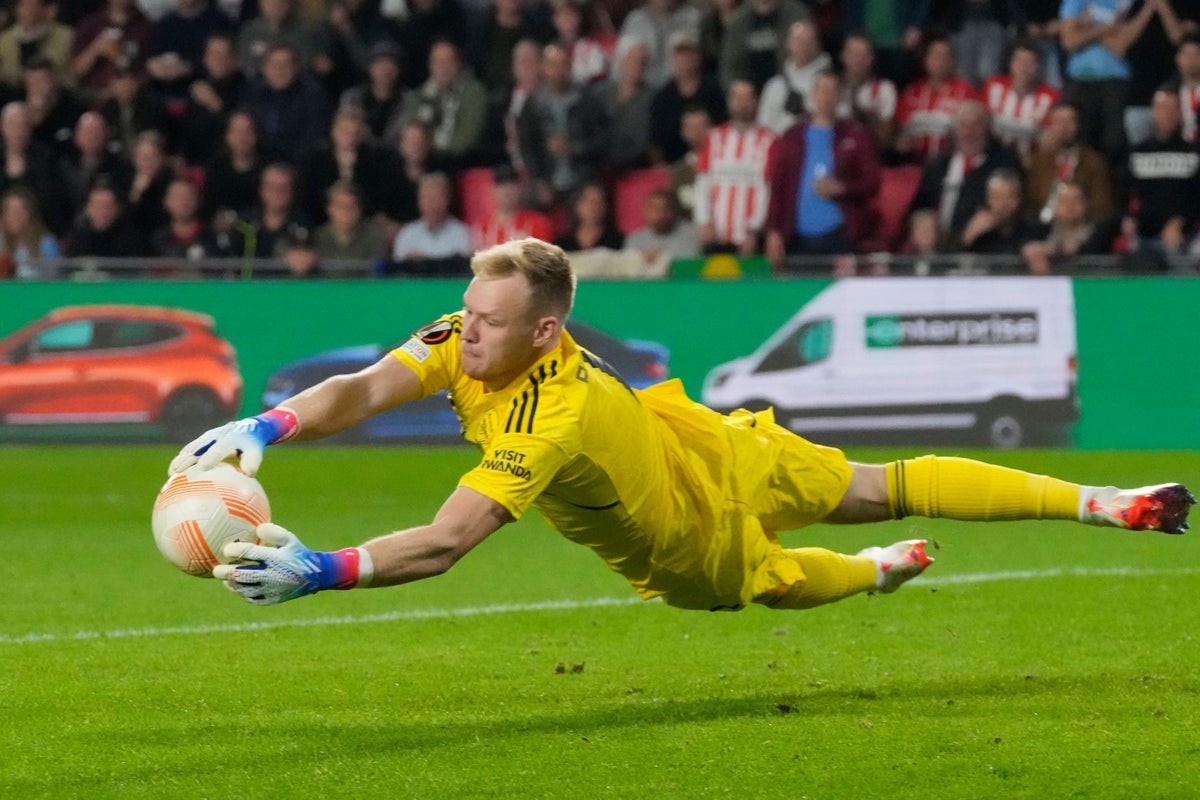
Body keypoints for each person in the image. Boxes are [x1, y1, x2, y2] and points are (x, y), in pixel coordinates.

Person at [169, 236, 1194, 611]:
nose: (462, 337)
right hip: (708, 437)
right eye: (465, 315)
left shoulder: (550, 413)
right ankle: (916, 552)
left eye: (486, 324)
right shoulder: (471, 329)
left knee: (783, 573)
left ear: (546, 330)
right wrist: (272, 423)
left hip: (683, 530)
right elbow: (361, 386)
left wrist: (326, 568)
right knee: (877, 483)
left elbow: (444, 543)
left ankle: (1095, 507)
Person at [763, 70, 881, 268]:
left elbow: (873, 183)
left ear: (839, 97)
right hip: (797, 238)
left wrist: (842, 188)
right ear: (812, 95)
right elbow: (778, 187)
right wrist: (774, 232)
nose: (826, 97)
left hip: (840, 236)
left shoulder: (855, 135)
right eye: (821, 90)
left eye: (832, 91)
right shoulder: (792, 136)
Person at [693, 78, 774, 255]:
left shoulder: (768, 140)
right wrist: (704, 221)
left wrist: (754, 230)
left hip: (749, 237)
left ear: (756, 102)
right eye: (737, 97)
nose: (741, 103)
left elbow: (766, 189)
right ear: (729, 101)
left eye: (747, 98)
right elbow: (703, 183)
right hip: (715, 235)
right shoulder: (714, 137)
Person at [894, 35, 978, 163]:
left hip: (951, 162)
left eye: (945, 57)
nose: (940, 62)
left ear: (953, 62)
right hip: (913, 161)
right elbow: (900, 131)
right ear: (926, 60)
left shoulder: (965, 92)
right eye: (935, 56)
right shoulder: (912, 91)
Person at [981, 39, 1061, 163]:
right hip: (990, 159)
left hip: (1029, 162)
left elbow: (1050, 138)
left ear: (1039, 67)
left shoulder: (1050, 96)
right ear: (1011, 63)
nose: (1024, 67)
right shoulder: (993, 86)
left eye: (1030, 63)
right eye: (1020, 61)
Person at [757, 19, 831, 135]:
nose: (804, 47)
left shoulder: (829, 82)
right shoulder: (775, 85)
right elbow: (764, 125)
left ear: (817, 44)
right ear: (789, 44)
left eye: (808, 42)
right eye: (799, 41)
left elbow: (840, 117)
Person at [389, 171, 472, 274]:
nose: (432, 204)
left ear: (448, 200)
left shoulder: (463, 234)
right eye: (427, 198)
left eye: (437, 198)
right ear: (419, 201)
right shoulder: (407, 234)